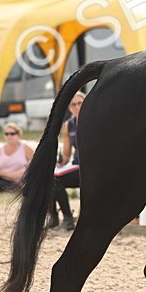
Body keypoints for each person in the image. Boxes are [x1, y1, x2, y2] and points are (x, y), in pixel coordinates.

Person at [51, 91, 85, 231]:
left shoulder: (96, 119)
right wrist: (59, 162)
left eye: (80, 103)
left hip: (93, 167)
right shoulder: (68, 125)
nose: (76, 107)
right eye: (73, 105)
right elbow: (66, 155)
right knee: (49, 178)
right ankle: (55, 218)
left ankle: (67, 219)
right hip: (77, 167)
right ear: (69, 108)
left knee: (55, 179)